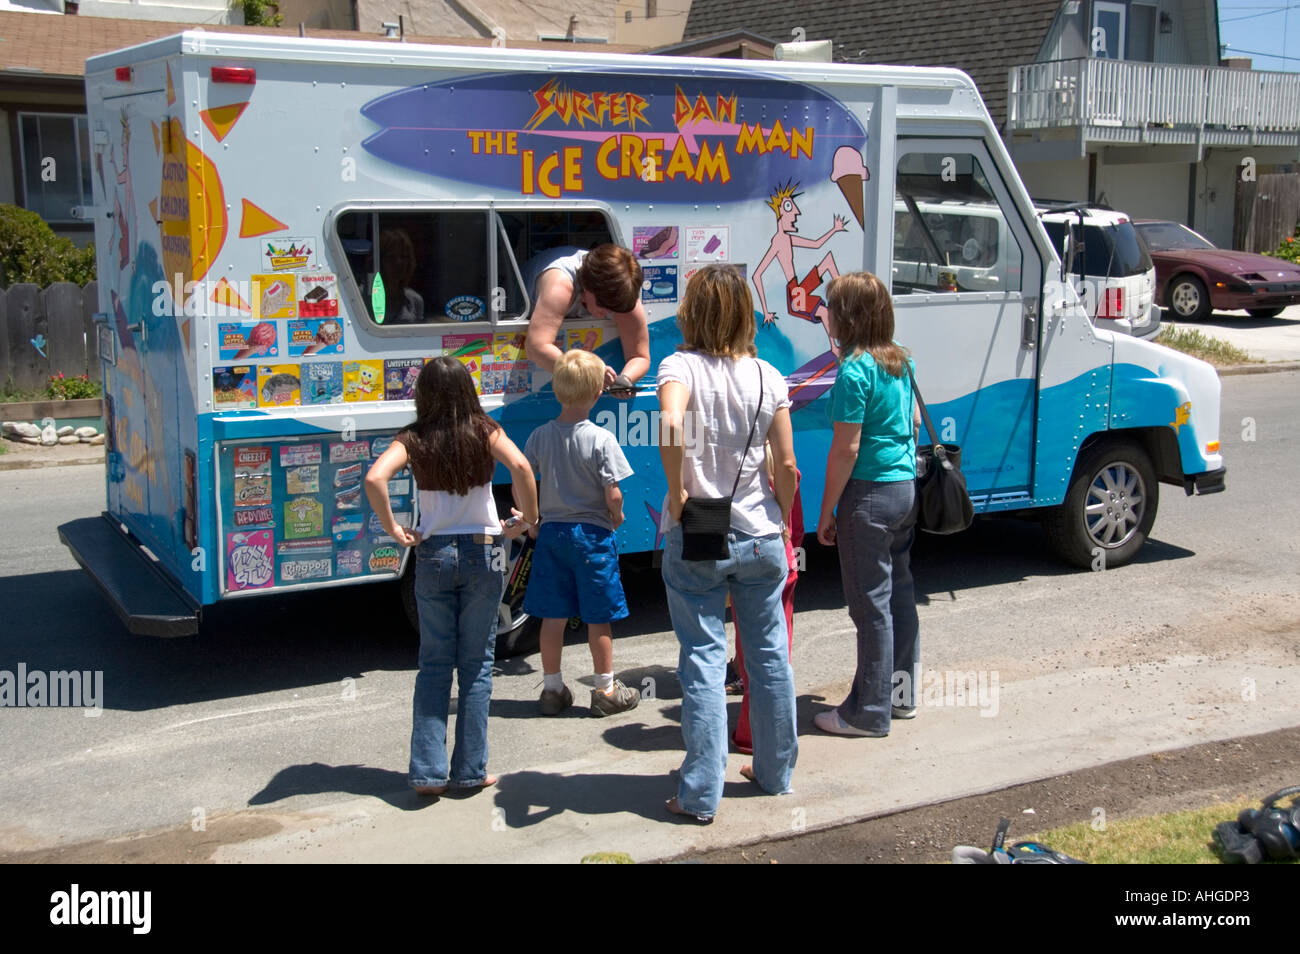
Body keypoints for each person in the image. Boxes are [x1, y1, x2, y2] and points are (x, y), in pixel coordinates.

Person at [657, 264, 799, 823]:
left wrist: (677, 492)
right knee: (768, 658)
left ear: (693, 311)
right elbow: (785, 464)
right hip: (761, 532)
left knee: (703, 661)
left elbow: (671, 425)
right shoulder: (769, 375)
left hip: (700, 527)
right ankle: (774, 772)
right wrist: (784, 518)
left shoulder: (679, 365)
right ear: (745, 313)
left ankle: (698, 794)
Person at [365, 357, 539, 794]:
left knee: (434, 665)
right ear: (467, 390)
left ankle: (427, 772)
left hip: (434, 554)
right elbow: (521, 468)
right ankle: (470, 771)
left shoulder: (414, 438)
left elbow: (374, 478)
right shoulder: (485, 430)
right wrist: (528, 518)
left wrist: (392, 528)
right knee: (478, 666)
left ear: (424, 394)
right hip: (484, 555)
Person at [814, 271, 920, 738]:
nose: (827, 314)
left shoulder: (854, 369)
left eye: (832, 307)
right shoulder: (900, 359)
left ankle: (868, 714)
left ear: (849, 316)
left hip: (869, 494)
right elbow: (913, 419)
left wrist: (826, 511)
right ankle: (901, 696)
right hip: (904, 489)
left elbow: (846, 450)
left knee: (870, 607)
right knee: (899, 595)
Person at [521, 348, 640, 717]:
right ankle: (605, 688)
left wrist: (531, 520)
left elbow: (523, 477)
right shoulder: (602, 439)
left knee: (552, 617)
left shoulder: (540, 436)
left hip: (552, 534)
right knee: (596, 615)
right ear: (595, 394)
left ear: (557, 390)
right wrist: (616, 516)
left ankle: (553, 689)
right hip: (592, 536)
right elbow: (614, 492)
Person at [522, 244, 651, 393]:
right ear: (587, 289)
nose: (609, 313)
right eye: (604, 306)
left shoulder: (624, 295)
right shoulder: (560, 285)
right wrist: (590, 372)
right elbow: (536, 348)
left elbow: (640, 356)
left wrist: (624, 380)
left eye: (616, 309)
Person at [376, 228, 425, 324]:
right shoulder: (362, 296)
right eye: (391, 257)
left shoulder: (415, 300)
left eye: (403, 256)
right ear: (380, 261)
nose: (398, 262)